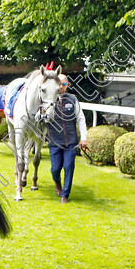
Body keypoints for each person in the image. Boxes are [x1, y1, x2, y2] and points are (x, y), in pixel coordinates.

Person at [47, 74, 88, 203]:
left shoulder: (73, 99)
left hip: (71, 141)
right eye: (58, 84)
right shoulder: (48, 101)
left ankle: (65, 194)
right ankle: (57, 183)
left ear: (67, 85)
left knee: (69, 166)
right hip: (54, 141)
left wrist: (84, 138)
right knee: (55, 169)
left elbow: (81, 119)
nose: (60, 87)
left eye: (63, 84)